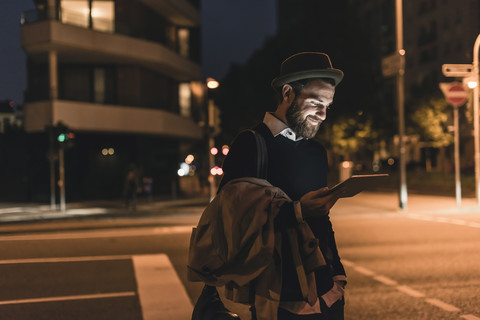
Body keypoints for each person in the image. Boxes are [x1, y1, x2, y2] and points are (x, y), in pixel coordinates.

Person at [191, 52, 347, 320]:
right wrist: (297, 211)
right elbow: (234, 220)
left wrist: (338, 273)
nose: (322, 114)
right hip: (274, 295)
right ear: (288, 93)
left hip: (326, 293)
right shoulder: (251, 144)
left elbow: (321, 218)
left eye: (327, 106)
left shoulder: (316, 152)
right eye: (315, 103)